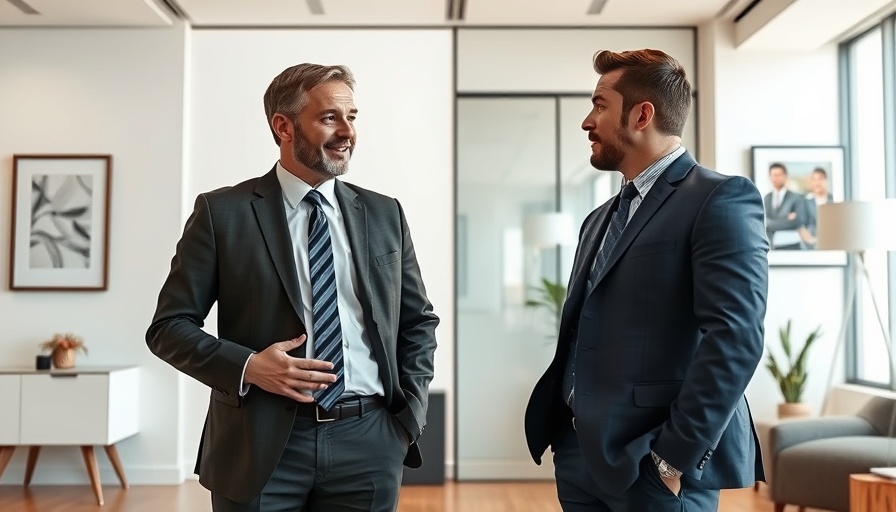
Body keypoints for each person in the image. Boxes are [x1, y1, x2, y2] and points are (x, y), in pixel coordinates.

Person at [146, 63, 439, 512]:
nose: (347, 132)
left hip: (369, 441)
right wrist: (249, 366)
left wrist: (406, 420)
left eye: (352, 117)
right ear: (283, 127)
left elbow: (417, 321)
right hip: (258, 445)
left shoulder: (385, 214)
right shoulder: (222, 213)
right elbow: (169, 328)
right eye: (330, 118)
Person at [524, 49, 768, 511]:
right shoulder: (598, 219)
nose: (587, 122)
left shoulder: (719, 199)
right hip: (579, 456)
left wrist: (671, 461)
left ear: (641, 115)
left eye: (599, 105)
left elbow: (735, 339)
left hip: (653, 468)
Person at [763, 163, 807, 250]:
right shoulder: (767, 198)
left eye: (779, 175)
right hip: (771, 245)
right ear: (770, 177)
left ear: (785, 176)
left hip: (791, 245)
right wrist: (786, 218)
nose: (776, 178)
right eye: (774, 175)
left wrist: (772, 222)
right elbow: (766, 223)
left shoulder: (796, 198)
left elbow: (799, 221)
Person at [800, 167, 833, 248]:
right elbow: (802, 225)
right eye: (814, 180)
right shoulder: (806, 201)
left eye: (820, 179)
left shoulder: (833, 199)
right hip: (812, 244)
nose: (817, 183)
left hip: (831, 242)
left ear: (826, 181)